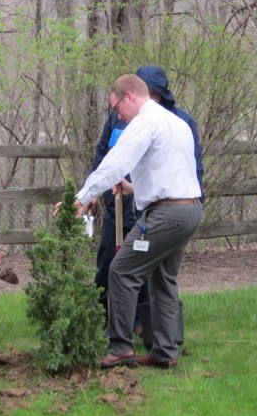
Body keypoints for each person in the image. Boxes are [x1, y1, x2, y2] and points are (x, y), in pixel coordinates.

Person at [73, 74, 203, 369]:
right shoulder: (175, 122)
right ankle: (165, 352)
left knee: (121, 271)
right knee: (163, 280)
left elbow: (115, 162)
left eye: (117, 107)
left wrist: (83, 197)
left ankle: (120, 348)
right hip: (188, 210)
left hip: (165, 216)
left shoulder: (145, 122)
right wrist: (135, 189)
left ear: (129, 96)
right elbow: (171, 171)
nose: (117, 115)